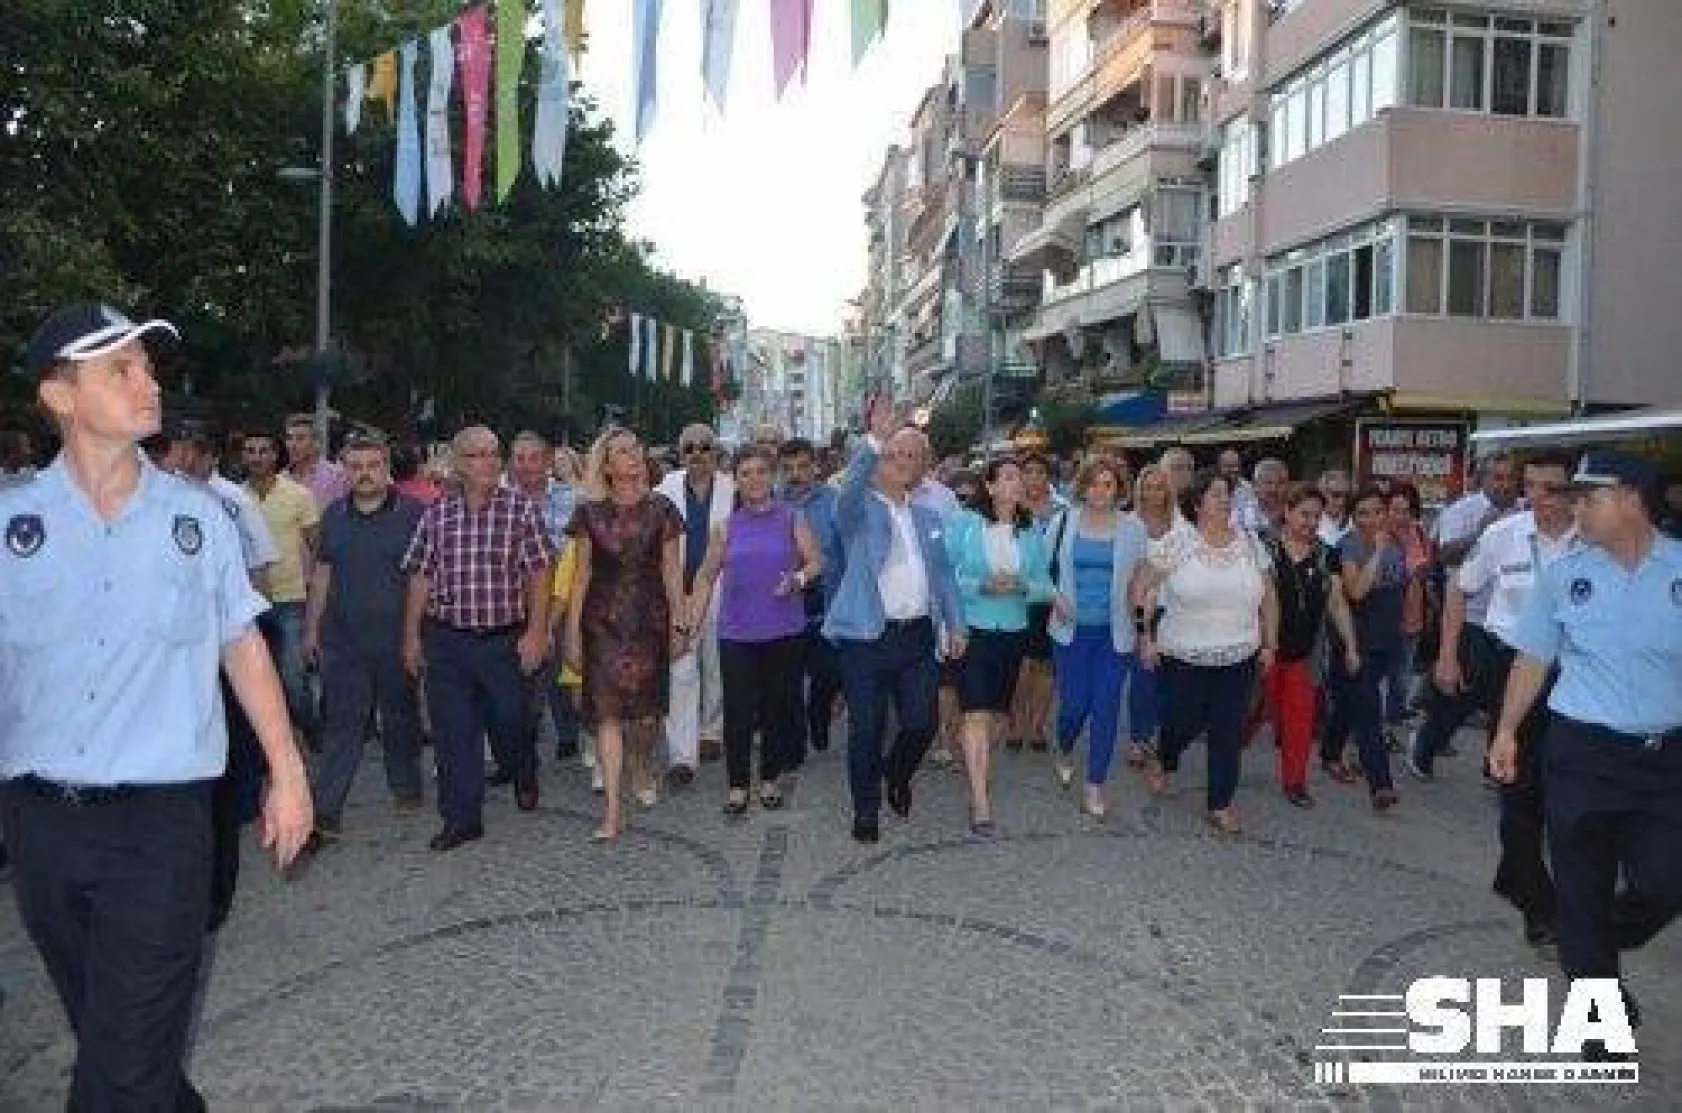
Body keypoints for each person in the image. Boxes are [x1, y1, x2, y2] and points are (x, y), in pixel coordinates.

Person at [1, 302, 312, 1110]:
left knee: (121, 1073)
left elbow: (242, 642)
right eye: (123, 369)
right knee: (120, 1040)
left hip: (162, 828)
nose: (150, 383)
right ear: (61, 397)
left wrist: (288, 771)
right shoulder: (10, 525)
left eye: (149, 366)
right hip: (40, 825)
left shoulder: (198, 519)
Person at [1492, 450, 1682, 1057]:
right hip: (1582, 751)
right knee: (1581, 885)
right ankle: (1599, 1014)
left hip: (1663, 759)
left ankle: (1593, 945)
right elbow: (1533, 659)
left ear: (1631, 499)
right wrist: (1505, 732)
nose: (1577, 509)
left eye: (1589, 498)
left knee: (1665, 881)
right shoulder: (1565, 574)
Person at [1422, 453, 1579, 948]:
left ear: (1574, 491)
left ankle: (1518, 874)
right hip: (1509, 665)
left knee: (1564, 793)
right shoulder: (1502, 534)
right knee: (1516, 789)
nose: (1537, 498)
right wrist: (1447, 656)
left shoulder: (1594, 542)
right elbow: (1458, 590)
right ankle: (1539, 904)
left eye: (1551, 488)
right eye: (1530, 487)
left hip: (1574, 674)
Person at [400, 426, 552, 852]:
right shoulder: (437, 515)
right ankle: (462, 818)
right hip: (447, 640)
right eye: (477, 455)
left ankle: (521, 767)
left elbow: (540, 574)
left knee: (510, 719)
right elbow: (420, 577)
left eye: (493, 453)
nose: (489, 462)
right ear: (458, 465)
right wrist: (411, 637)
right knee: (453, 733)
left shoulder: (520, 510)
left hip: (503, 641)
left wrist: (538, 631)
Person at [825, 394, 965, 844]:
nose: (904, 460)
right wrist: (872, 440)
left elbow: (943, 575)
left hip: (916, 637)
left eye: (913, 455)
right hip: (867, 637)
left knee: (921, 723)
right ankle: (866, 810)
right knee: (866, 728)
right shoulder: (856, 510)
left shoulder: (928, 515)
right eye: (895, 453)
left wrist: (956, 623)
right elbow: (847, 490)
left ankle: (898, 774)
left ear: (923, 465)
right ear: (879, 461)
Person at [160, 422, 282, 929]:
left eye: (180, 450)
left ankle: (213, 893)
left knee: (225, 764)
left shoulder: (224, 505)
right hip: (168, 665)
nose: (175, 460)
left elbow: (256, 571)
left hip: (222, 645)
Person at [1136, 469, 1280, 835]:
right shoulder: (1178, 543)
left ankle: (1220, 802)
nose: (1223, 500)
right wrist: (1145, 635)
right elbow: (1142, 590)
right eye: (1215, 494)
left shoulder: (1249, 542)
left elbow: (1269, 597)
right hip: (1185, 655)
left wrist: (1270, 642)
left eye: (1226, 494)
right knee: (1182, 721)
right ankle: (1166, 757)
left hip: (1239, 655)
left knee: (1228, 731)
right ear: (1197, 504)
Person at [564, 428, 687, 841]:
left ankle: (640, 763)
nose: (633, 455)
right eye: (622, 451)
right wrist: (570, 633)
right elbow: (581, 576)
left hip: (650, 620)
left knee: (648, 715)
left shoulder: (663, 510)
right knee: (608, 715)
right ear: (607, 463)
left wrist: (681, 621)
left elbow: (673, 572)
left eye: (636, 447)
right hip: (602, 623)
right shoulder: (589, 513)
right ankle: (612, 811)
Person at [303, 436, 426, 842]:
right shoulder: (334, 516)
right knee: (343, 723)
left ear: (386, 467)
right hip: (344, 640)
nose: (364, 473)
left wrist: (416, 635)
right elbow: (322, 574)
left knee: (400, 717)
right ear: (345, 470)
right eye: (355, 466)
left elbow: (422, 578)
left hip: (396, 637)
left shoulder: (414, 514)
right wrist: (311, 630)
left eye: (372, 465)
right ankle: (327, 809)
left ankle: (406, 784)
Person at [691, 447, 824, 814]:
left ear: (773, 476)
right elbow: (705, 575)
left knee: (776, 709)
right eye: (746, 473)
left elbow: (816, 562)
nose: (754, 479)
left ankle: (768, 779)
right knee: (738, 710)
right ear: (737, 480)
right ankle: (737, 785)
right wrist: (691, 618)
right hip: (737, 633)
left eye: (761, 471)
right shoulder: (726, 527)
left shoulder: (791, 518)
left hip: (784, 631)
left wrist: (797, 579)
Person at [943, 457, 1053, 835]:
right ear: (989, 487)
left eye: (1019, 478)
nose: (1017, 483)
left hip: (1013, 629)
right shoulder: (965, 524)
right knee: (975, 713)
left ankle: (972, 756)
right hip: (972, 628)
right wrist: (980, 586)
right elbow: (947, 573)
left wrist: (1023, 587)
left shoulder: (1031, 530)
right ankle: (980, 799)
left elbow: (1043, 584)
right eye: (1008, 477)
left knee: (999, 719)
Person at [1045, 458, 1148, 819]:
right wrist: (1055, 597)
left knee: (1105, 706)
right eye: (1093, 483)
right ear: (1082, 486)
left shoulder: (1133, 529)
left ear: (1118, 488)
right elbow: (1040, 571)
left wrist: (1145, 625)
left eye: (1108, 484)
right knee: (1074, 705)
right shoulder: (1062, 523)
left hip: (1114, 634)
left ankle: (1094, 785)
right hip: (1070, 632)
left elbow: (1141, 578)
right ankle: (1065, 743)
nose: (1100, 491)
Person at [1413, 452, 1525, 774]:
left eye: (1510, 478)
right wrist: (1482, 533)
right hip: (1470, 618)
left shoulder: (1525, 513)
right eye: (1497, 478)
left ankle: (1496, 765)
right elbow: (1445, 556)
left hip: (1511, 623)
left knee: (1506, 699)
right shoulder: (1463, 510)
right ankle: (1425, 746)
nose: (1505, 485)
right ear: (1482, 480)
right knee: (1461, 697)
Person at [1263, 483, 1360, 807]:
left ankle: (1295, 782)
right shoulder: (1263, 547)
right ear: (1287, 512)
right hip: (1262, 649)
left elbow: (1336, 603)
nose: (1310, 522)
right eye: (1304, 514)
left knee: (1300, 721)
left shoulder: (1325, 555)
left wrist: (1350, 645)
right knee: (1248, 713)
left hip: (1303, 654)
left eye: (1316, 516)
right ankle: (1226, 760)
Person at [655, 424, 736, 784]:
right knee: (681, 667)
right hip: (676, 587)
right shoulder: (664, 490)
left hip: (721, 585)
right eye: (690, 448)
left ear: (715, 452)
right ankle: (681, 756)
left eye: (705, 447)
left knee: (716, 663)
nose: (698, 454)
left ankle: (711, 731)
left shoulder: (733, 489)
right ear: (680, 453)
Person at [243, 430, 323, 749]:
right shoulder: (235, 497)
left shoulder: (298, 495)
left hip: (291, 598)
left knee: (293, 676)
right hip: (249, 601)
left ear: (275, 456)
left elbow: (318, 547)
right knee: (257, 678)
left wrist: (317, 591)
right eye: (251, 450)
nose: (257, 456)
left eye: (264, 450)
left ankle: (311, 728)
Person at [1332, 485, 1406, 811]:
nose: (1372, 519)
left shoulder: (1398, 542)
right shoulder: (1347, 546)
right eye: (1363, 513)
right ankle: (1381, 783)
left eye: (1378, 511)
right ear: (1353, 516)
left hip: (1388, 637)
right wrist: (1376, 552)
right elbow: (1356, 592)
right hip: (1357, 638)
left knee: (1351, 703)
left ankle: (1330, 751)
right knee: (1368, 712)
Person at [777, 437, 844, 759]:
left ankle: (820, 711)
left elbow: (845, 550)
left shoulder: (834, 501)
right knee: (788, 674)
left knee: (827, 671)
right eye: (788, 468)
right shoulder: (772, 502)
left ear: (815, 467)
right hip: (784, 598)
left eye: (802, 466)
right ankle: (795, 736)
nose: (796, 473)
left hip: (827, 596)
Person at [1121, 463, 1182, 769]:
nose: (1153, 493)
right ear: (1139, 490)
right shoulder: (1128, 524)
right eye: (1148, 486)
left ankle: (1163, 733)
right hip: (1141, 608)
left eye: (1160, 487)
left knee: (1169, 677)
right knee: (1143, 674)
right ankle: (1139, 737)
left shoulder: (1183, 525)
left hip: (1177, 609)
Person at [1011, 452, 1066, 752]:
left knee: (1045, 664)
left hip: (1050, 593)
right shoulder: (1010, 509)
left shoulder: (1063, 510)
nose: (1034, 477)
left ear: (1049, 476)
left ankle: (1038, 724)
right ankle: (1017, 721)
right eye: (1028, 472)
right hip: (1017, 594)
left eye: (1040, 472)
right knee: (1020, 664)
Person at [1385, 482, 1432, 740]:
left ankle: (1395, 715)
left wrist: (1423, 575)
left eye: (1406, 510)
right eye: (1395, 509)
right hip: (1388, 615)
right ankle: (1382, 724)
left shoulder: (1420, 534)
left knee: (1403, 671)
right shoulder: (1380, 535)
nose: (1400, 516)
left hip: (1414, 611)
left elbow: (1429, 566)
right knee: (1388, 672)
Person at [284, 412, 349, 510]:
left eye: (300, 438)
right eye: (289, 438)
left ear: (316, 442)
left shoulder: (336, 477)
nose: (292, 444)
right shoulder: (282, 479)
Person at [1316, 469, 1354, 546]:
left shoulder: (1355, 523)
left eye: (1346, 496)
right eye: (1336, 495)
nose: (1342, 502)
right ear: (1322, 495)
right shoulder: (1312, 523)